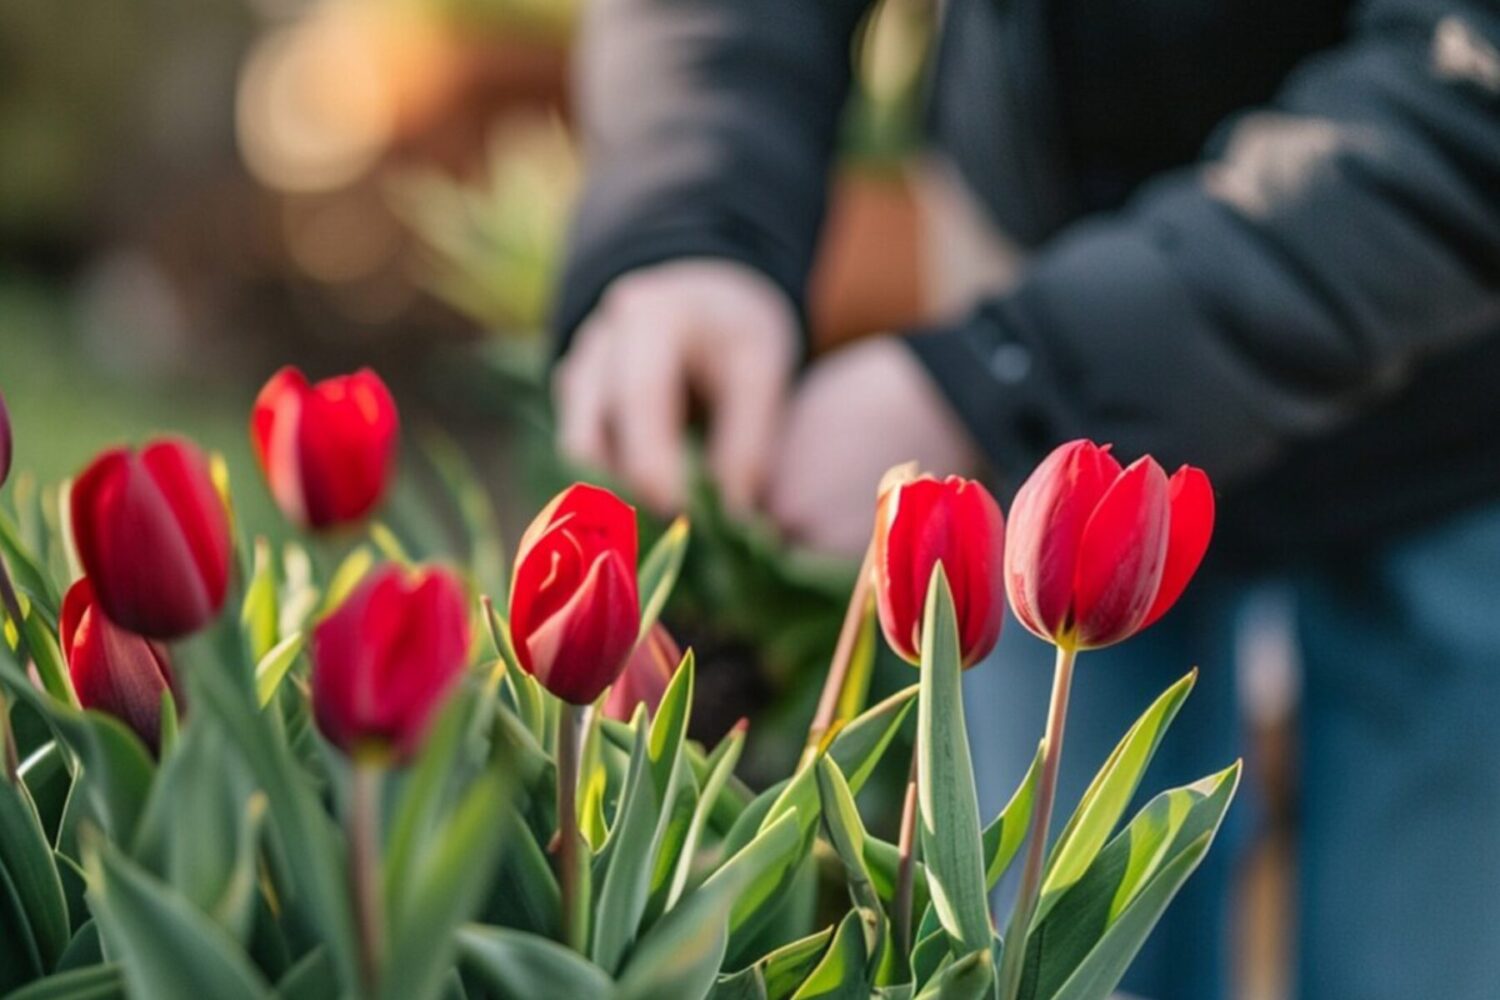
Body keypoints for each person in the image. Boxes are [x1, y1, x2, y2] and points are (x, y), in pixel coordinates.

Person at [549, 0, 1500, 997]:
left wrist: (999, 378)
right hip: (1031, 288)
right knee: (1048, 950)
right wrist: (693, 219)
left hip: (1442, 384)